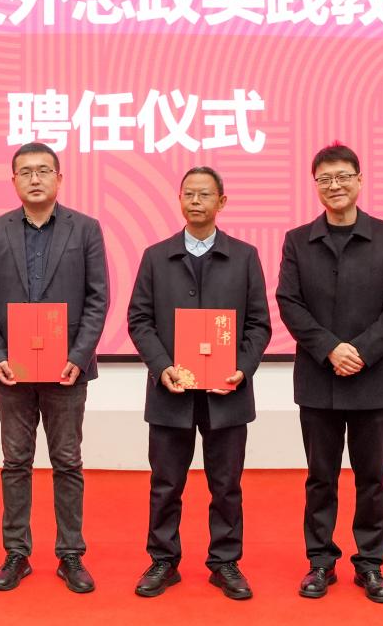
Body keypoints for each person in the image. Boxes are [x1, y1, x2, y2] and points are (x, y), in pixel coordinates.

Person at [275, 144, 383, 603]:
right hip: (319, 379)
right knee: (321, 477)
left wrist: (362, 352)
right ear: (315, 185)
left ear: (359, 180)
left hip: (375, 381)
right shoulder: (298, 241)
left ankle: (371, 563)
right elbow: (289, 303)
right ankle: (320, 562)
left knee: (372, 478)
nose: (334, 186)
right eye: (324, 179)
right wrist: (330, 349)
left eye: (342, 177)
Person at [0, 142, 109, 594]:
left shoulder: (85, 229)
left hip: (66, 369)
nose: (35, 178)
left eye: (44, 170)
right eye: (26, 171)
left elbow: (97, 299)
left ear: (59, 178)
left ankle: (71, 554)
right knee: (15, 462)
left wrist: (78, 356)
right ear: (13, 180)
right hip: (11, 369)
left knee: (67, 461)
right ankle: (17, 552)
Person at [127, 167, 271, 600]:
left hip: (227, 393)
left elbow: (259, 324)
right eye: (188, 193)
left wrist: (241, 368)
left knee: (226, 484)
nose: (195, 201)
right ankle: (163, 560)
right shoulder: (156, 256)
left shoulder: (244, 256)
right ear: (179, 200)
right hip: (170, 391)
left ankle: (225, 562)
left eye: (205, 194)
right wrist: (162, 367)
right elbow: (139, 320)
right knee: (165, 482)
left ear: (221, 202)